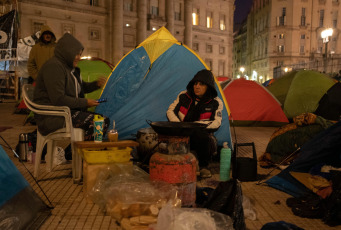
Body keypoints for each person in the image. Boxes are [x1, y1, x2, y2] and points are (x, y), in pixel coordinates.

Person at [33, 33, 109, 143]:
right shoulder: (54, 67)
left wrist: (96, 84)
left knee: (101, 120)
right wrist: (85, 102)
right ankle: (80, 152)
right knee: (100, 122)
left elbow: (79, 88)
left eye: (79, 54)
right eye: (76, 54)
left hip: (66, 113)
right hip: (52, 117)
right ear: (67, 52)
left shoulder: (69, 69)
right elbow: (58, 99)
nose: (79, 57)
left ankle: (83, 152)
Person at [167, 69, 223, 178]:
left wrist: (196, 126)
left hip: (201, 133)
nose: (197, 86)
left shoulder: (216, 102)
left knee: (203, 137)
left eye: (201, 84)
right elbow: (170, 111)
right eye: (195, 83)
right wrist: (179, 125)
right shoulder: (183, 96)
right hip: (181, 130)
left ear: (208, 86)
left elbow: (217, 122)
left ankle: (203, 166)